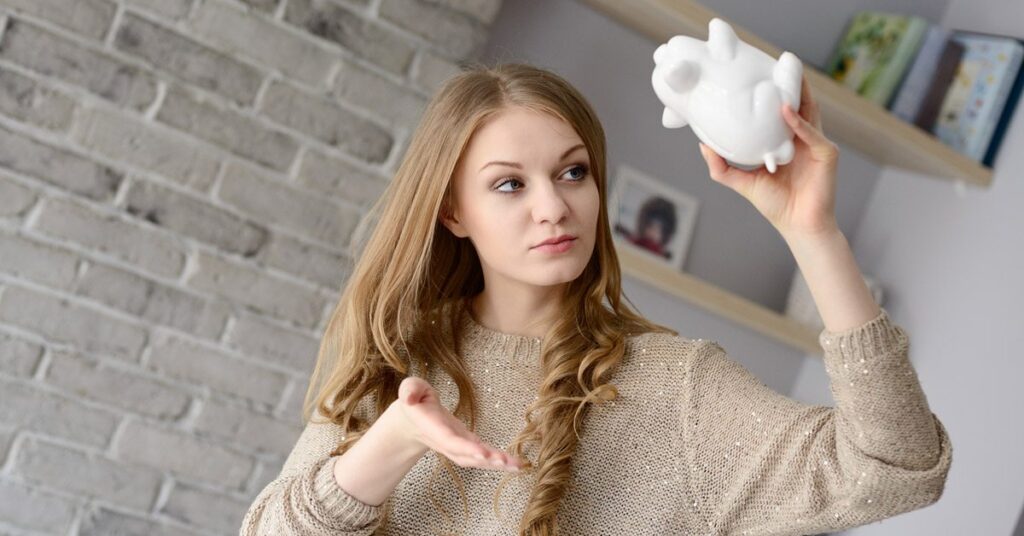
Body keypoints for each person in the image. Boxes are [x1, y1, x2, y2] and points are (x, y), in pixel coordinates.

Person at [239, 63, 951, 535]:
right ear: (454, 213)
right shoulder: (401, 362)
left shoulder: (674, 387)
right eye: (510, 184)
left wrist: (814, 232)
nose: (554, 206)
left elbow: (895, 470)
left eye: (573, 172)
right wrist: (392, 442)